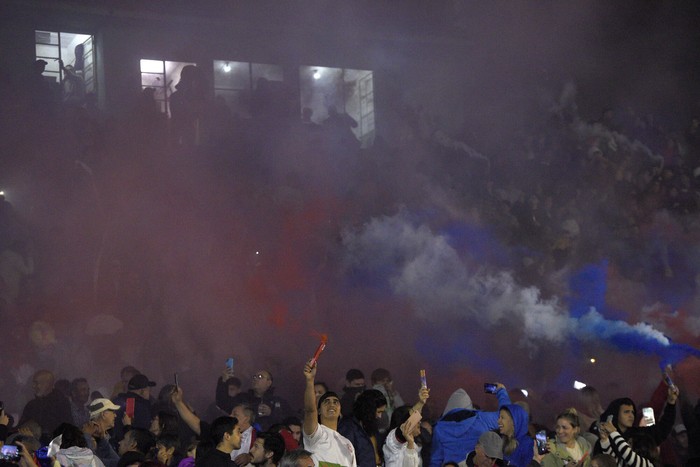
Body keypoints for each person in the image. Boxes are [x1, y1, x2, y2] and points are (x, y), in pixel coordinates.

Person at [430, 385, 511, 467]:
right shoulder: (483, 419)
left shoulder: (439, 428)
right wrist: (500, 391)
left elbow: (435, 460)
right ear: (470, 407)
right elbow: (508, 416)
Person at [302, 359, 357, 467]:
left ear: (340, 409)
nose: (332, 405)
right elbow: (309, 410)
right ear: (318, 410)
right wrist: (310, 380)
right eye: (326, 402)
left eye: (335, 402)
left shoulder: (347, 443)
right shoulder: (316, 434)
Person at [19, 370, 73, 444]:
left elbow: (67, 429)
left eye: (36, 383)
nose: (33, 386)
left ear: (47, 384)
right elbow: (22, 426)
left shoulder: (61, 404)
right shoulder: (31, 405)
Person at [338, 389, 387, 467]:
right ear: (369, 409)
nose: (380, 416)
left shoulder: (372, 427)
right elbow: (344, 458)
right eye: (378, 412)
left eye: (382, 412)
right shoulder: (348, 427)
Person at [382, 386, 429, 467]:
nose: (419, 421)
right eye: (415, 419)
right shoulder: (393, 442)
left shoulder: (412, 442)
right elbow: (408, 420)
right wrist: (420, 403)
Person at [85, 398, 121, 467]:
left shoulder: (111, 435)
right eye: (113, 412)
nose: (115, 415)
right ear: (104, 414)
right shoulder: (88, 438)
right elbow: (91, 463)